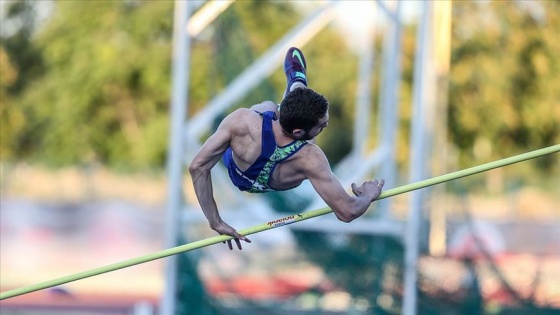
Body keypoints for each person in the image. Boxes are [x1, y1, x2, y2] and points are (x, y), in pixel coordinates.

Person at [189, 47, 385, 250]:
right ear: (298, 132)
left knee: (266, 109)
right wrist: (368, 195)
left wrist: (215, 221)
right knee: (300, 136)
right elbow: (347, 212)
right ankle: (296, 86)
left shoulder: (242, 122)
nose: (326, 126)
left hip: (240, 168)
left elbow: (198, 167)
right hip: (278, 178)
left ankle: (296, 86)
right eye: (321, 125)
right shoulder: (311, 158)